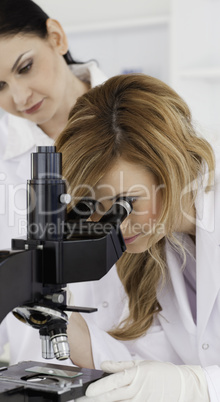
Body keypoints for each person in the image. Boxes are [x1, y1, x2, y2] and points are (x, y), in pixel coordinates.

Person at [0, 0, 108, 368]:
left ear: (56, 37)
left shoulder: (149, 116)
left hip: (152, 377)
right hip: (43, 376)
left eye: (25, 67)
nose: (20, 97)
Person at [56, 73, 220, 401]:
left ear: (169, 169)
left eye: (125, 204)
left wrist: (199, 386)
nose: (114, 226)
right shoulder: (159, 245)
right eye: (95, 209)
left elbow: (182, 379)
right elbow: (144, 367)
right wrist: (63, 325)